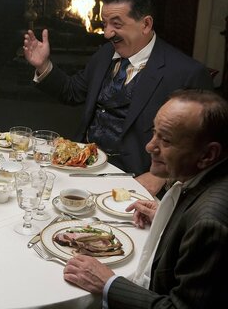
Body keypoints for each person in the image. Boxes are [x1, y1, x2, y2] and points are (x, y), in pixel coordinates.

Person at [22, 0, 213, 197]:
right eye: (104, 24)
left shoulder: (186, 73)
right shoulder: (105, 54)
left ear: (146, 24)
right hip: (83, 167)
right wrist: (43, 65)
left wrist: (163, 175)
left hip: (136, 180)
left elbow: (204, 143)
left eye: (116, 24)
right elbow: (72, 91)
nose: (106, 34)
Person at [63, 89, 228, 308]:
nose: (150, 146)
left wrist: (109, 284)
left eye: (166, 140)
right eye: (154, 132)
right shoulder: (206, 178)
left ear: (207, 155)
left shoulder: (210, 223)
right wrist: (167, 218)